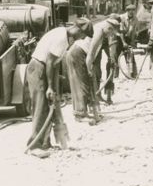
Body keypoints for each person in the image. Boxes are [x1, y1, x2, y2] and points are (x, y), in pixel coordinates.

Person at [26, 17, 93, 158]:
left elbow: (54, 64)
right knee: (40, 106)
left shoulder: (64, 35)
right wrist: (50, 87)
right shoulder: (61, 38)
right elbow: (50, 62)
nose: (81, 38)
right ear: (76, 29)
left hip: (44, 68)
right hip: (38, 67)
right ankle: (34, 146)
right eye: (82, 35)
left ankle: (45, 142)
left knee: (48, 106)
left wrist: (55, 86)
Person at [86, 14, 124, 107]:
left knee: (111, 66)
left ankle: (109, 95)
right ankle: (96, 95)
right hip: (97, 43)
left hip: (108, 43)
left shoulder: (114, 30)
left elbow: (112, 45)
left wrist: (112, 58)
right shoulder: (103, 27)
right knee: (96, 69)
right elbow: (92, 50)